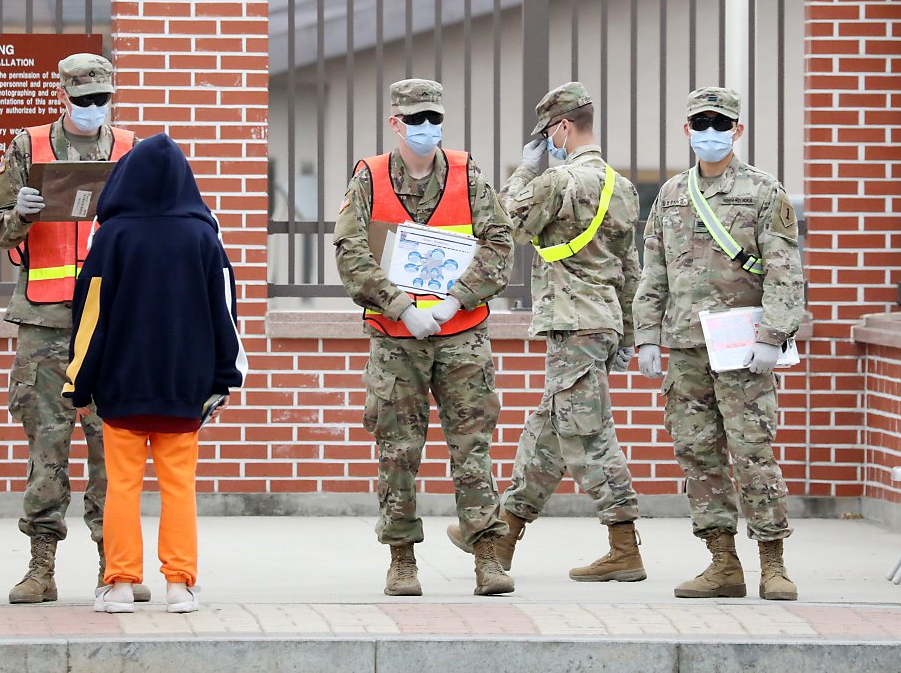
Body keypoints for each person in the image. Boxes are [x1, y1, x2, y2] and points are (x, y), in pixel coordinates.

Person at [446, 82, 646, 583]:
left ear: (562, 127)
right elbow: (630, 268)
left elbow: (505, 222)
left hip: (572, 323)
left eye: (548, 134)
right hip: (601, 323)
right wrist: (628, 335)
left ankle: (624, 546)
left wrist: (524, 169)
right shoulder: (621, 187)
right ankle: (502, 534)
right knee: (547, 434)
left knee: (588, 434)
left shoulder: (559, 180)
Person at [333, 78, 515, 596]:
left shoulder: (466, 172)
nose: (427, 128)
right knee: (398, 450)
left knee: (472, 446)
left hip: (462, 332)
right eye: (416, 119)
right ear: (396, 123)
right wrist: (402, 308)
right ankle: (402, 559)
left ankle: (487, 555)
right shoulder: (369, 177)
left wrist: (458, 299)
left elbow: (499, 241)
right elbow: (350, 251)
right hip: (397, 336)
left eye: (434, 118)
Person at [0, 52, 150, 604]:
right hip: (46, 321)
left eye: (102, 99)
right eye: (84, 100)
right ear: (64, 96)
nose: (93, 108)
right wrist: (20, 213)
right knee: (47, 447)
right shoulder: (28, 147)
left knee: (114, 447)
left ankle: (116, 565)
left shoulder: (130, 150)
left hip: (112, 322)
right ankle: (41, 567)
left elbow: (152, 230)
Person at [62, 133, 246, 614]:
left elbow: (90, 315)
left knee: (121, 486)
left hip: (121, 387)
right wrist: (225, 378)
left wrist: (79, 382)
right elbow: (225, 311)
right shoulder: (203, 236)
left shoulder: (112, 236)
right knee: (179, 486)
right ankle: (180, 585)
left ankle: (121, 584)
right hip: (184, 389)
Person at [633, 86, 804, 601]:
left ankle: (773, 563)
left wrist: (774, 336)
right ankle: (723, 563)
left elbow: (784, 271)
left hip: (742, 350)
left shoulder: (763, 191)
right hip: (686, 347)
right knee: (697, 454)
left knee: (752, 452)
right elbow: (654, 270)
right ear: (687, 131)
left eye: (720, 124)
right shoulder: (671, 194)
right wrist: (646, 337)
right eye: (701, 124)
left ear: (737, 130)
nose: (711, 133)